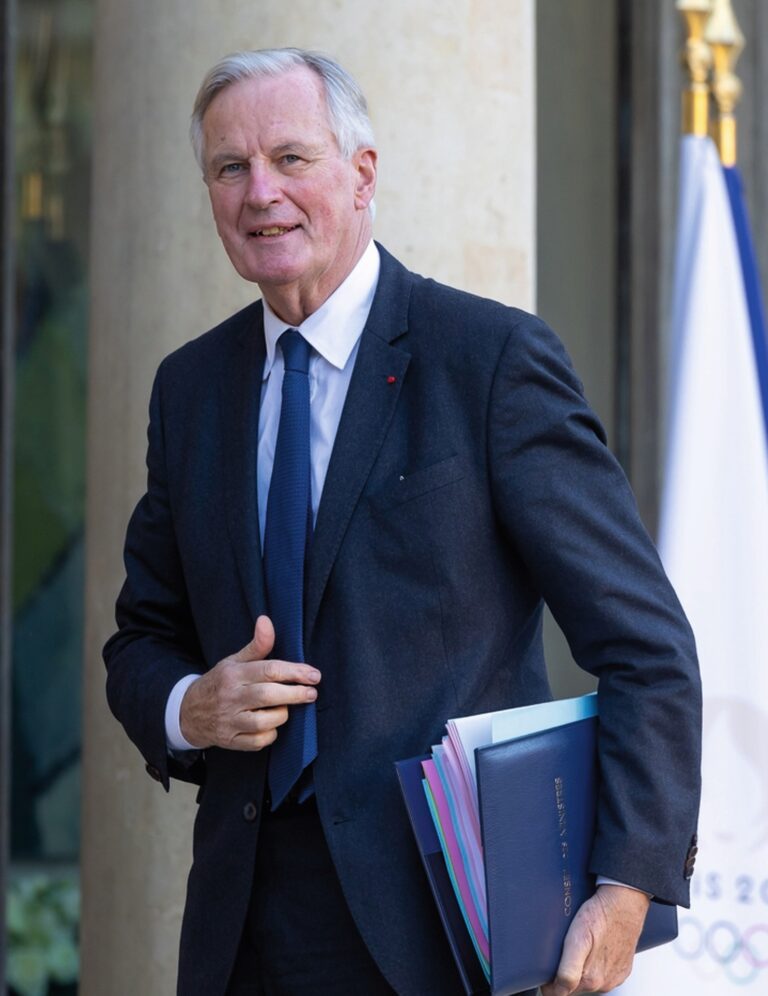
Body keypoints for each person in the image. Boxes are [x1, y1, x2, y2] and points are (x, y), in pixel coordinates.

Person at [103, 47, 701, 996]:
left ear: (362, 173)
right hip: (242, 933)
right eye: (231, 167)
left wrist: (627, 884)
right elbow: (140, 641)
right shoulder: (190, 390)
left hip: (449, 930)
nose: (261, 192)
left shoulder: (491, 360)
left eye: (292, 159)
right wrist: (191, 706)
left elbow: (646, 645)